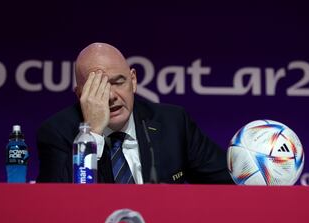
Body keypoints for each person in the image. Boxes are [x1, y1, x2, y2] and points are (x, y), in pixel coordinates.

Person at [36, 42, 233, 184]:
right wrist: (93, 133)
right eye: (98, 87)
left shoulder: (173, 123)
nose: (111, 96)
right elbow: (56, 204)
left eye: (118, 82)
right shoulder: (58, 132)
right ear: (80, 94)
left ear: (133, 80)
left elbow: (228, 182)